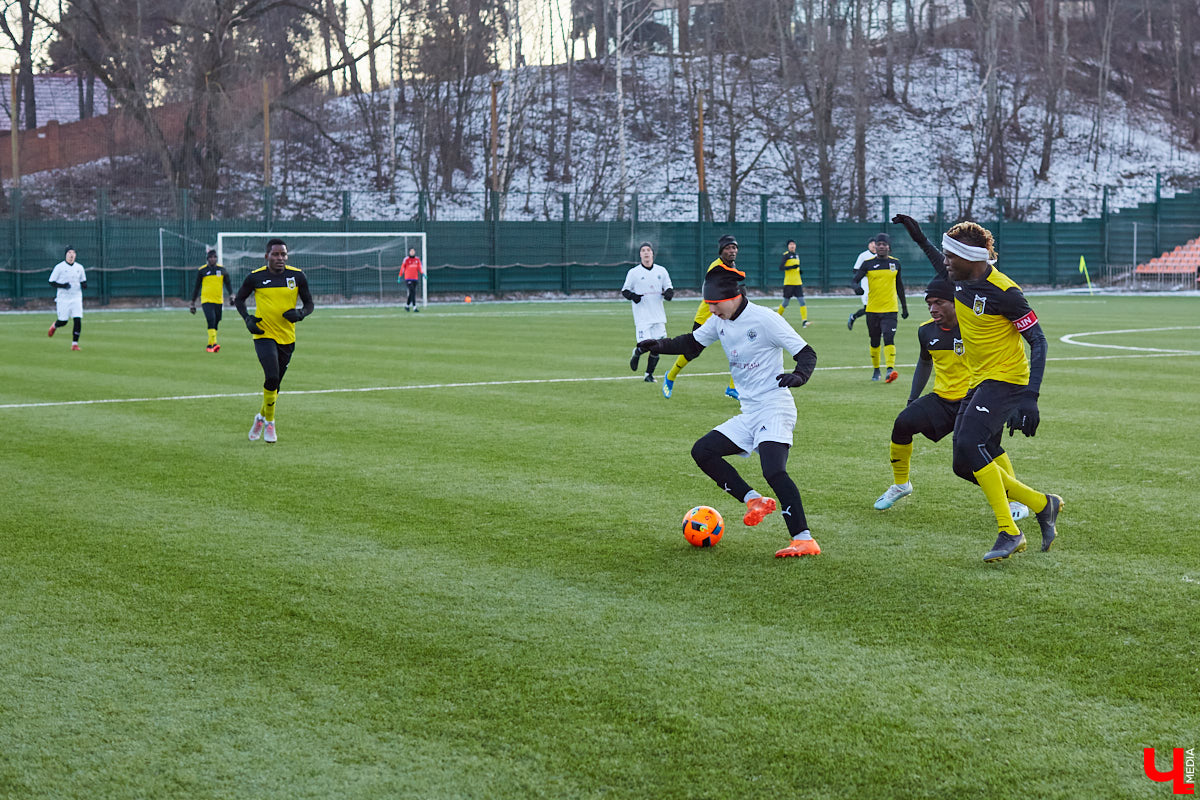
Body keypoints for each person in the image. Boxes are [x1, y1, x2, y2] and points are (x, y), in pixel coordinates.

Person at [892, 213, 1062, 563]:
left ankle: (1009, 531)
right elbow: (937, 260)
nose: (946, 262)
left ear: (972, 259)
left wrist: (1030, 397)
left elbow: (1039, 341)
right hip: (979, 381)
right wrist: (920, 238)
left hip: (1007, 380)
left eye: (951, 256)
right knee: (963, 463)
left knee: (970, 445)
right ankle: (1043, 504)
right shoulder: (957, 279)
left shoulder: (1006, 292)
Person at [638, 264, 820, 558]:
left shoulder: (764, 319)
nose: (711, 311)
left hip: (774, 406)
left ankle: (804, 539)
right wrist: (656, 345)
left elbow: (806, 353)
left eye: (714, 305)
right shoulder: (719, 320)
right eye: (708, 305)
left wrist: (799, 376)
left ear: (731, 296)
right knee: (703, 451)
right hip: (749, 412)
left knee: (773, 470)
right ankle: (753, 500)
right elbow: (691, 344)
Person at [872, 275, 1030, 522]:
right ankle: (901, 485)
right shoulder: (926, 331)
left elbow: (1007, 362)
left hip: (978, 397)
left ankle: (1016, 499)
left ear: (956, 302)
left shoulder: (978, 329)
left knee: (988, 448)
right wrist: (913, 399)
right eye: (929, 304)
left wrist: (1012, 404)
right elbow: (924, 363)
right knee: (902, 424)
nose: (933, 308)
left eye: (938, 302)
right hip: (943, 399)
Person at [234, 238, 315, 444]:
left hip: (287, 337)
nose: (280, 258)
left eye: (283, 254)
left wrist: (301, 313)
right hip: (263, 334)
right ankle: (270, 422)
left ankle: (260, 417)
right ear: (267, 256)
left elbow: (309, 303)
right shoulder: (255, 277)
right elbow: (239, 299)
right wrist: (248, 319)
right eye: (276, 254)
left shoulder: (297, 276)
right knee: (271, 376)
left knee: (275, 383)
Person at [661, 234, 741, 401]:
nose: (732, 250)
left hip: (726, 315)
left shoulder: (733, 266)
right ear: (721, 252)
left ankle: (732, 387)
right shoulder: (716, 268)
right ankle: (671, 376)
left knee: (739, 349)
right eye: (728, 248)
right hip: (708, 316)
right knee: (692, 351)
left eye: (734, 247)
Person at [850, 233, 908, 382]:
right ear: (875, 246)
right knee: (874, 340)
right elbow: (854, 280)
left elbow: (899, 286)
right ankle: (876, 370)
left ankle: (890, 369)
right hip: (872, 309)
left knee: (889, 337)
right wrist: (857, 288)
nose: (881, 246)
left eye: (884, 244)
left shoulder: (896, 264)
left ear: (889, 247)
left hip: (890, 309)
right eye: (879, 244)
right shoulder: (868, 264)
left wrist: (904, 307)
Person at [623, 242, 675, 383]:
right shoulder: (634, 272)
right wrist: (634, 296)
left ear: (652, 253)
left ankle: (648, 375)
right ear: (640, 254)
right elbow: (625, 290)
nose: (646, 253)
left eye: (648, 250)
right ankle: (637, 353)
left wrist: (669, 294)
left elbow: (669, 288)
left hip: (658, 316)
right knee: (645, 344)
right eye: (643, 250)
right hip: (642, 317)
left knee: (658, 346)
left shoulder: (661, 271)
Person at [189, 249, 233, 352]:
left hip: (218, 300)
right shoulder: (202, 271)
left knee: (217, 321)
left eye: (214, 257)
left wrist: (232, 295)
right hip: (206, 300)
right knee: (211, 318)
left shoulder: (222, 270)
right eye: (211, 257)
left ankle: (210, 344)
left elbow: (228, 283)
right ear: (207, 259)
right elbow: (197, 287)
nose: (213, 259)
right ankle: (214, 344)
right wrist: (192, 302)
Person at [47, 246, 86, 351]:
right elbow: (51, 282)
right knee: (63, 321)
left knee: (77, 319)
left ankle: (74, 344)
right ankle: (55, 326)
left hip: (76, 297)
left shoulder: (80, 267)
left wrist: (84, 285)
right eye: (69, 252)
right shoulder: (59, 267)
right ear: (66, 254)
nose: (71, 255)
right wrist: (63, 286)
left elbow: (83, 280)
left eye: (73, 252)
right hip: (63, 298)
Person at [776, 239, 809, 327]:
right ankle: (776, 318)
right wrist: (791, 267)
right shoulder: (786, 255)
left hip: (798, 283)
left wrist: (798, 270)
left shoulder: (797, 255)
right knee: (785, 303)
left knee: (802, 301)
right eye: (790, 244)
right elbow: (781, 267)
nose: (792, 246)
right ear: (788, 246)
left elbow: (796, 268)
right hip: (789, 283)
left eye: (793, 244)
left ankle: (804, 321)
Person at [846, 238, 875, 330]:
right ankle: (854, 317)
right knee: (868, 308)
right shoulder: (863, 255)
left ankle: (878, 328)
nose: (873, 245)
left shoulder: (880, 256)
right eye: (871, 243)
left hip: (877, 286)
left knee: (876, 308)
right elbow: (855, 270)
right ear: (868, 245)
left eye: (875, 243)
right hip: (866, 285)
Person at [399, 247, 424, 311]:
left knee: (411, 293)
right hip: (408, 278)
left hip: (415, 278)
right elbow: (402, 268)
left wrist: (423, 274)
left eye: (413, 251)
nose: (412, 252)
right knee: (413, 291)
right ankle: (414, 307)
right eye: (411, 251)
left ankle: (407, 306)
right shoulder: (406, 259)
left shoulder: (417, 259)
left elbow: (420, 268)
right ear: (409, 252)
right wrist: (399, 276)